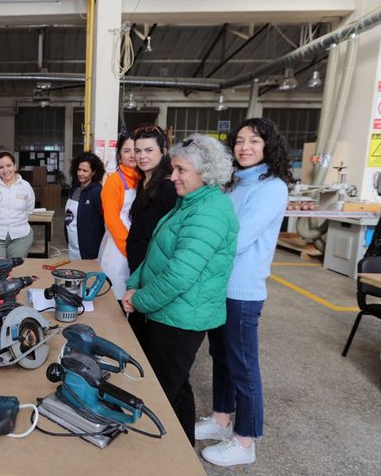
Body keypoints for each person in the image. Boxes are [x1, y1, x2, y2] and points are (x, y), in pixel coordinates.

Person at [122, 134, 238, 447]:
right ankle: (183, 450)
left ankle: (164, 455)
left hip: (180, 318)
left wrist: (141, 299)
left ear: (205, 172)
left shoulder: (210, 212)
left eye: (180, 170)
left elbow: (179, 275)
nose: (172, 176)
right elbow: (157, 253)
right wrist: (135, 284)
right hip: (168, 311)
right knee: (177, 386)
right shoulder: (190, 202)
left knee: (161, 393)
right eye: (173, 169)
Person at [197, 119, 292, 467]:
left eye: (254, 140)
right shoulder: (233, 183)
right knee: (221, 358)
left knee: (243, 367)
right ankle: (222, 420)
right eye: (239, 140)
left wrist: (197, 251)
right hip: (219, 285)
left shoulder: (271, 187)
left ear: (268, 146)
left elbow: (238, 238)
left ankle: (245, 439)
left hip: (242, 289)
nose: (245, 147)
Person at [125, 124, 176, 352]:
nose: (141, 156)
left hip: (154, 270)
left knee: (151, 339)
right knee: (137, 334)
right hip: (138, 267)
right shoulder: (142, 182)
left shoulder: (168, 187)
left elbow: (172, 236)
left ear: (163, 151)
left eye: (148, 150)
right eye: (137, 150)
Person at [99, 132, 140, 299]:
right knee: (117, 295)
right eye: (126, 151)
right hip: (119, 247)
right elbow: (111, 220)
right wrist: (128, 248)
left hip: (136, 244)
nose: (132, 155)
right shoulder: (114, 181)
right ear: (119, 155)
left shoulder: (142, 179)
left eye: (135, 150)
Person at [0, 150, 35, 258]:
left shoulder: (25, 186)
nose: (5, 170)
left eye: (9, 165)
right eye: (1, 167)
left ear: (15, 166)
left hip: (20, 237)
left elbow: (29, 210)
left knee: (15, 271)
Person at [65, 152, 105, 260]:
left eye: (85, 171)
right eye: (79, 170)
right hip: (72, 243)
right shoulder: (75, 188)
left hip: (89, 248)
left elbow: (103, 221)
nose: (81, 173)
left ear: (94, 172)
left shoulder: (97, 192)